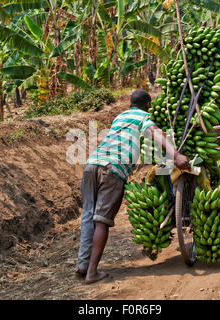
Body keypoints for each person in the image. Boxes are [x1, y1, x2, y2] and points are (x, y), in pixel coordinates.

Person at [76, 89, 190, 284]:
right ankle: (92, 273)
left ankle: (82, 264)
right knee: (102, 220)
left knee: (88, 215)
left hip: (91, 164)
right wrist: (175, 155)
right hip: (112, 169)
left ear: (130, 104)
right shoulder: (144, 116)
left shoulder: (119, 117)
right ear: (147, 105)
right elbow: (154, 132)